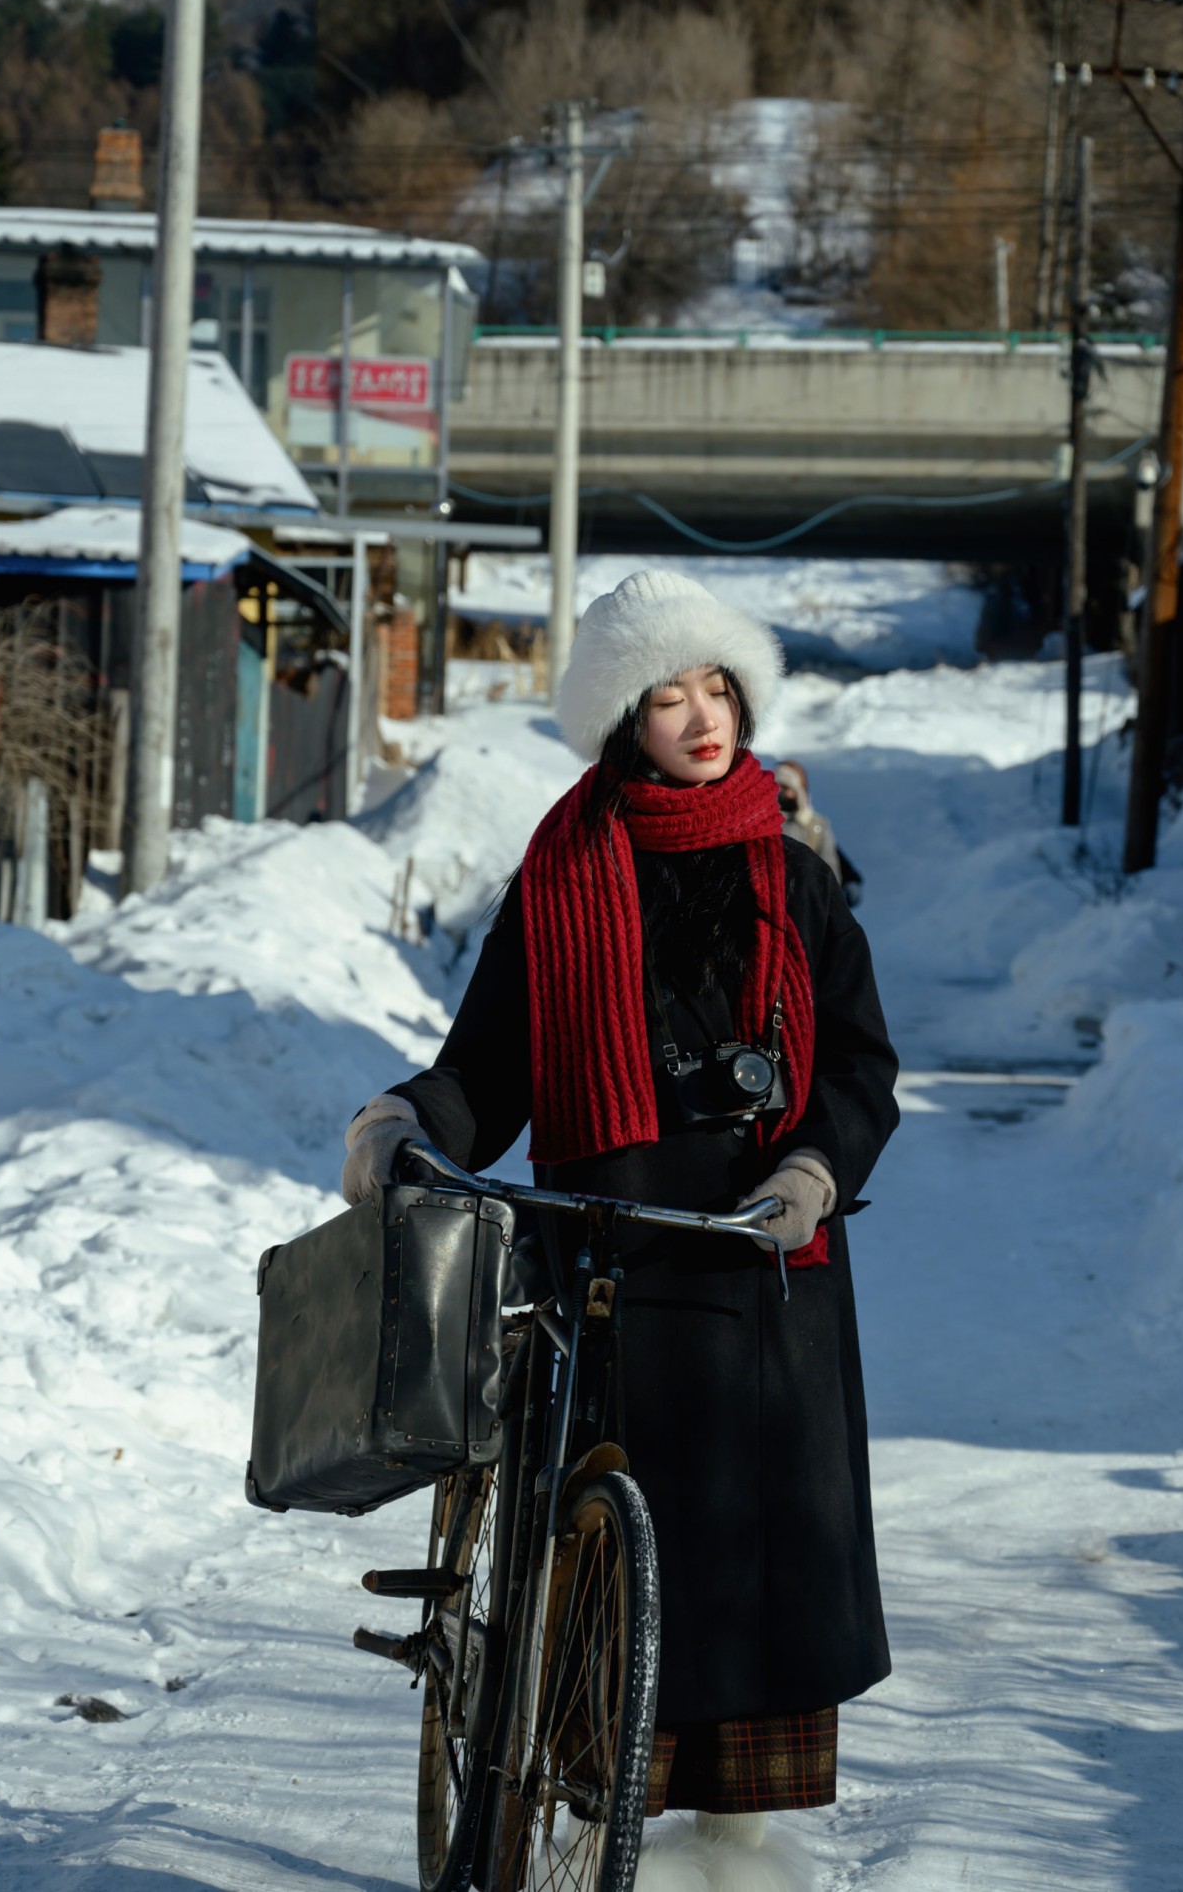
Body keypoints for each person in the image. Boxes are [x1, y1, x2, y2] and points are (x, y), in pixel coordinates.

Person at [340, 571, 900, 1891]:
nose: (701, 717)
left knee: (755, 1578)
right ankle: (594, 1808)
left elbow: (863, 1068)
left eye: (716, 686)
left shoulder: (797, 878)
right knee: (605, 1569)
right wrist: (403, 1115)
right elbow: (491, 1067)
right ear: (618, 724)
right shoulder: (563, 878)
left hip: (766, 1272)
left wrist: (817, 1170)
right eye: (665, 696)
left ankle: (736, 1846)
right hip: (610, 1266)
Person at [772, 760, 863, 909]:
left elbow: (832, 860)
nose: (780, 792)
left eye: (786, 787)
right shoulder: (766, 822)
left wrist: (848, 881)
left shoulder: (815, 825)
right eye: (777, 786)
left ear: (798, 790)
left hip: (811, 903)